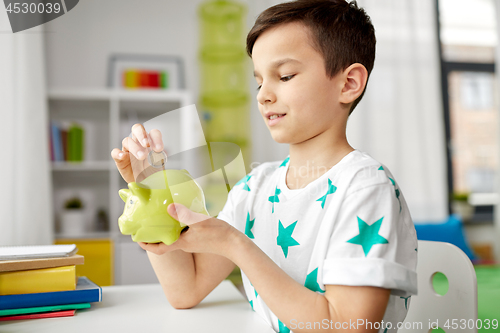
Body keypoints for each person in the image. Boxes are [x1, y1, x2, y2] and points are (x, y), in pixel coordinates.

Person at [111, 0, 418, 332]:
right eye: (259, 82)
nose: (263, 95)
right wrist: (151, 189)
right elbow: (185, 290)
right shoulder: (254, 187)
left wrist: (234, 243)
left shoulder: (365, 187)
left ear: (348, 84)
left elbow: (347, 326)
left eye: (284, 75)